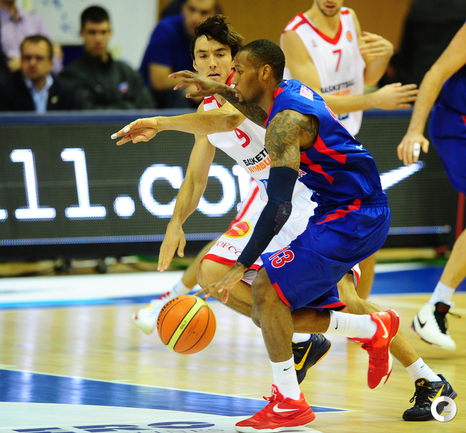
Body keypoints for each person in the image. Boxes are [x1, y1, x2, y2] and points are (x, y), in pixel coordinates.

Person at [116, 30, 456, 424]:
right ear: (193, 64)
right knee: (218, 275)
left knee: (341, 298)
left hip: (313, 201)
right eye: (203, 55)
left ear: (239, 62)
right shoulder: (215, 106)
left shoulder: (260, 100)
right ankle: (303, 344)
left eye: (221, 55)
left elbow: (229, 117)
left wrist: (161, 121)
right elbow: (196, 176)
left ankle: (424, 376)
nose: (212, 63)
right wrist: (176, 222)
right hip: (281, 200)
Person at [280, 0, 419, 300]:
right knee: (314, 239)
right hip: (314, 151)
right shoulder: (295, 34)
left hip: (345, 144)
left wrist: (385, 56)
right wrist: (375, 100)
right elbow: (314, 101)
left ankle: (360, 318)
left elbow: (365, 79)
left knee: (367, 234)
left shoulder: (349, 17)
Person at [397, 22, 466, 352]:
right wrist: (414, 130)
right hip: (456, 125)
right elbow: (436, 73)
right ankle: (435, 309)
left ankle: (436, 308)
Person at [60, 6, 153, 110]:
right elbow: (88, 112)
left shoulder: (127, 72)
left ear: (110, 32)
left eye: (103, 32)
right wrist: (128, 107)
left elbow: (147, 107)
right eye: (92, 32)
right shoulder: (71, 75)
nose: (98, 39)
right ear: (81, 33)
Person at [139, 0, 218, 108]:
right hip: (157, 101)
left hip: (192, 92)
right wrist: (201, 80)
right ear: (184, 8)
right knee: (177, 95)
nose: (195, 18)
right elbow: (160, 82)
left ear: (213, 13)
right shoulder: (165, 30)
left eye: (204, 12)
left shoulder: (217, 35)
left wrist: (206, 83)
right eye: (192, 9)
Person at [398, 0, 466, 87]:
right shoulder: (462, 6)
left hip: (421, 74)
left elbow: (407, 48)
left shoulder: (419, 5)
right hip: (455, 77)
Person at [0, 35, 76, 111]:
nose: (32, 63)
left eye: (39, 58)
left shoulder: (66, 91)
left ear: (50, 63)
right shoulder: (5, 90)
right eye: (28, 58)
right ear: (21, 61)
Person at [0, 0, 62, 73]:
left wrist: (23, 63)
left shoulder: (34, 19)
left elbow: (55, 56)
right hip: (7, 76)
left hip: (40, 77)